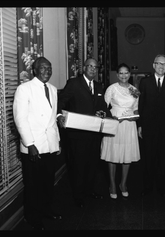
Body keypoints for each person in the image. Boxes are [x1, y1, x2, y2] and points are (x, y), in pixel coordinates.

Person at [13, 57, 62, 230]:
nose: (47, 71)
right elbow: (20, 119)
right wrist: (30, 144)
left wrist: (57, 142)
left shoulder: (53, 89)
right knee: (33, 185)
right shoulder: (24, 89)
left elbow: (52, 120)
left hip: (49, 144)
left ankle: (46, 210)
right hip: (33, 146)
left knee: (48, 182)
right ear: (34, 70)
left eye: (49, 68)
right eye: (43, 68)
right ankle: (32, 217)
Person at [57, 58, 111, 208]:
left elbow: (102, 106)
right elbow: (61, 101)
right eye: (90, 66)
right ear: (84, 68)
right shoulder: (74, 83)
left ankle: (90, 191)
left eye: (96, 67)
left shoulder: (99, 86)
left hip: (94, 134)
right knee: (78, 166)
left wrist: (109, 116)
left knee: (92, 165)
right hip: (77, 135)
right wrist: (59, 116)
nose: (93, 70)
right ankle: (78, 196)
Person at [138, 54, 165, 196]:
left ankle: (161, 186)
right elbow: (141, 104)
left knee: (163, 157)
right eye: (159, 64)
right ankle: (147, 186)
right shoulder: (144, 82)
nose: (161, 66)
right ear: (154, 65)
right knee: (148, 157)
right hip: (148, 126)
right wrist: (140, 125)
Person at [100, 63, 140, 199]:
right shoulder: (111, 88)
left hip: (129, 124)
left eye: (126, 73)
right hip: (114, 122)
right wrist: (112, 118)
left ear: (130, 74)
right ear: (117, 75)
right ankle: (112, 184)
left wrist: (135, 116)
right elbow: (103, 107)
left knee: (126, 154)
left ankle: (123, 183)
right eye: (121, 73)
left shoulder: (134, 90)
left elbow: (135, 107)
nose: (124, 75)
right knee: (113, 153)